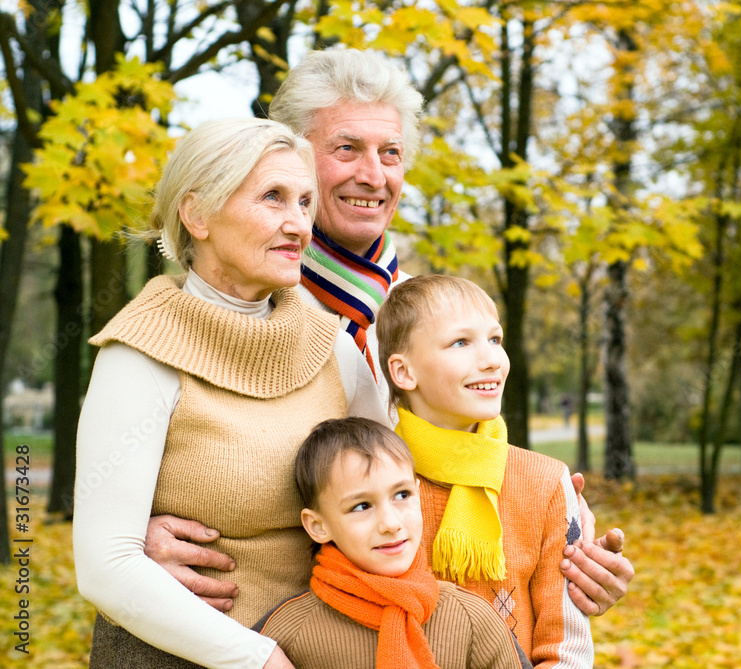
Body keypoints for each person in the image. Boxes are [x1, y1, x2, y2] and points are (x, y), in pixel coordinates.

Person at [144, 47, 633, 622]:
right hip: (253, 626)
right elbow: (133, 469)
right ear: (294, 158)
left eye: (391, 153)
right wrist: (137, 533)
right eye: (346, 148)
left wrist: (566, 543)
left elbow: (471, 474)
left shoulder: (439, 321)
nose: (373, 176)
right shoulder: (219, 306)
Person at [73, 117, 384, 669]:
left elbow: (397, 489)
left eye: (305, 203)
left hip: (326, 648)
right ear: (197, 215)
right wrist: (256, 658)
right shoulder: (141, 353)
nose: (297, 224)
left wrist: (552, 510)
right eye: (273, 197)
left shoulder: (331, 346)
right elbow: (106, 562)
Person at [376, 274, 594, 668]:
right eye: (461, 343)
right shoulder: (373, 482)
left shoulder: (545, 483)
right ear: (404, 372)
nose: (492, 358)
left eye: (495, 339)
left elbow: (567, 648)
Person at [256, 417, 524, 669]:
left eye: (402, 494)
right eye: (362, 506)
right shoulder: (288, 632)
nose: (391, 523)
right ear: (318, 526)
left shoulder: (471, 618)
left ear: (418, 496)